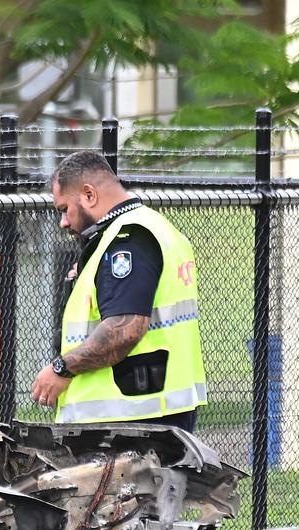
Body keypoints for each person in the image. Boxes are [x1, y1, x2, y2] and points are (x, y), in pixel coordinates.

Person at [30, 150, 207, 431]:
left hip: (131, 422)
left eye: (65, 209)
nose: (63, 222)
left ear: (89, 195)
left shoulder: (127, 241)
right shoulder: (152, 228)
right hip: (151, 414)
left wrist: (62, 367)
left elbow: (125, 330)